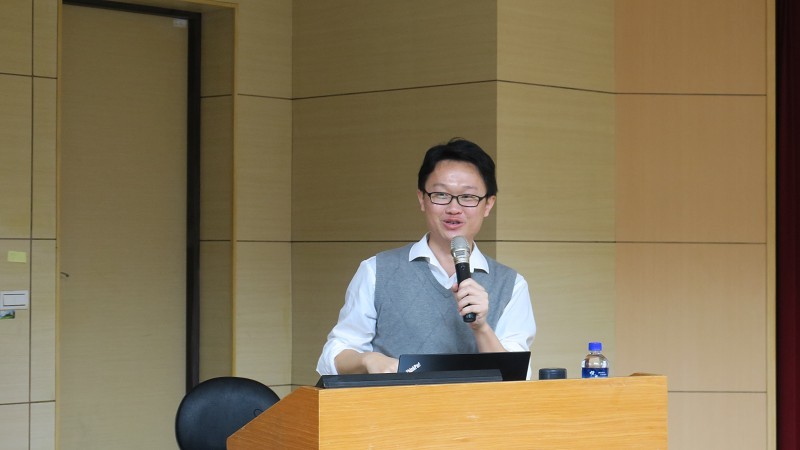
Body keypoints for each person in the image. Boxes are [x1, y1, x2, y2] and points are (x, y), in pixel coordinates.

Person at [316, 138, 536, 377]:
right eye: (441, 194)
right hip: (393, 401)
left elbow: (516, 378)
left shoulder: (511, 285)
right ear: (422, 198)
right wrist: (368, 360)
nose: (454, 208)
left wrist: (481, 327)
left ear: (488, 204)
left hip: (474, 403)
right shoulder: (376, 271)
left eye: (468, 197)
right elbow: (334, 355)